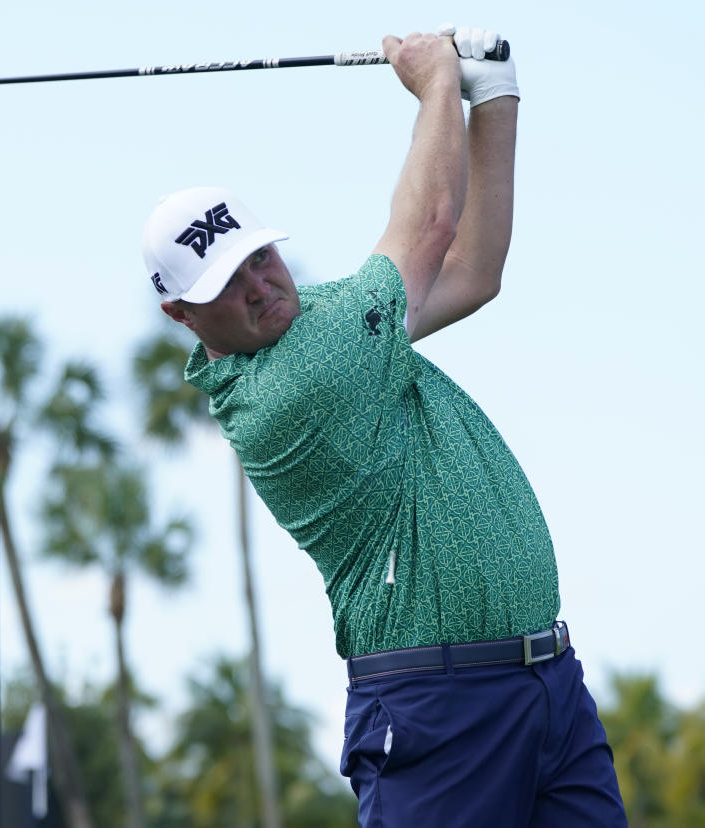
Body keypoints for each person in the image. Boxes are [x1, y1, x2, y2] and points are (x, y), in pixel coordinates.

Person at [142, 25, 627, 826]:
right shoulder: (293, 386)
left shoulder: (327, 318)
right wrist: (437, 82)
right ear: (182, 313)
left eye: (260, 256)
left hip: (548, 687)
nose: (261, 285)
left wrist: (494, 94)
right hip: (438, 710)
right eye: (228, 281)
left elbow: (472, 273)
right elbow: (432, 224)